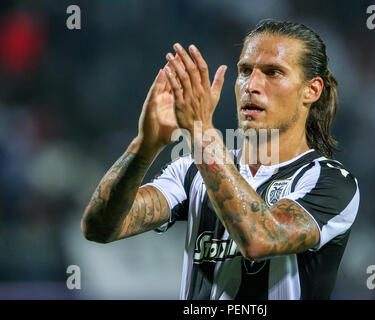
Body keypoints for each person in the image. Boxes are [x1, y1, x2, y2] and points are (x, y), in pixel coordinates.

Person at [81, 20, 360, 300]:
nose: (252, 85)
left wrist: (201, 133)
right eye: (245, 71)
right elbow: (100, 228)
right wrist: (144, 146)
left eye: (273, 72)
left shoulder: (329, 181)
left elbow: (258, 240)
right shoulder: (191, 170)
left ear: (311, 90)